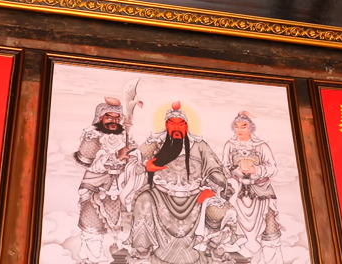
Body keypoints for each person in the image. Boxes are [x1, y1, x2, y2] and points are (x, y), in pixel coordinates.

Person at [126, 102, 239, 263]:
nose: (177, 128)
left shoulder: (199, 146)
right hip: (161, 196)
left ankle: (215, 251)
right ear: (166, 125)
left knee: (223, 210)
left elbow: (215, 170)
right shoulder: (156, 143)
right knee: (143, 200)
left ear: (187, 126)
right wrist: (145, 166)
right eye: (172, 124)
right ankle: (142, 250)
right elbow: (134, 158)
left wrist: (210, 190)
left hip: (195, 197)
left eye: (181, 124)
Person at [73, 97, 138, 264]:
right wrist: (116, 156)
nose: (113, 121)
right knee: (92, 227)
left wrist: (133, 157)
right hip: (96, 188)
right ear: (100, 117)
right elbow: (87, 161)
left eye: (117, 118)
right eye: (109, 117)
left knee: (126, 227)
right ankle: (93, 259)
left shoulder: (125, 135)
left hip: (122, 188)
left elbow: (135, 157)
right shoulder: (92, 135)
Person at [221, 111, 284, 264]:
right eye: (236, 126)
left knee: (269, 227)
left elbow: (272, 168)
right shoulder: (230, 145)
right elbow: (224, 167)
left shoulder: (261, 146)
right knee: (235, 227)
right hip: (238, 193)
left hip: (261, 192)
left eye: (243, 126)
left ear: (251, 128)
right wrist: (232, 175)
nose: (239, 130)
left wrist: (256, 170)